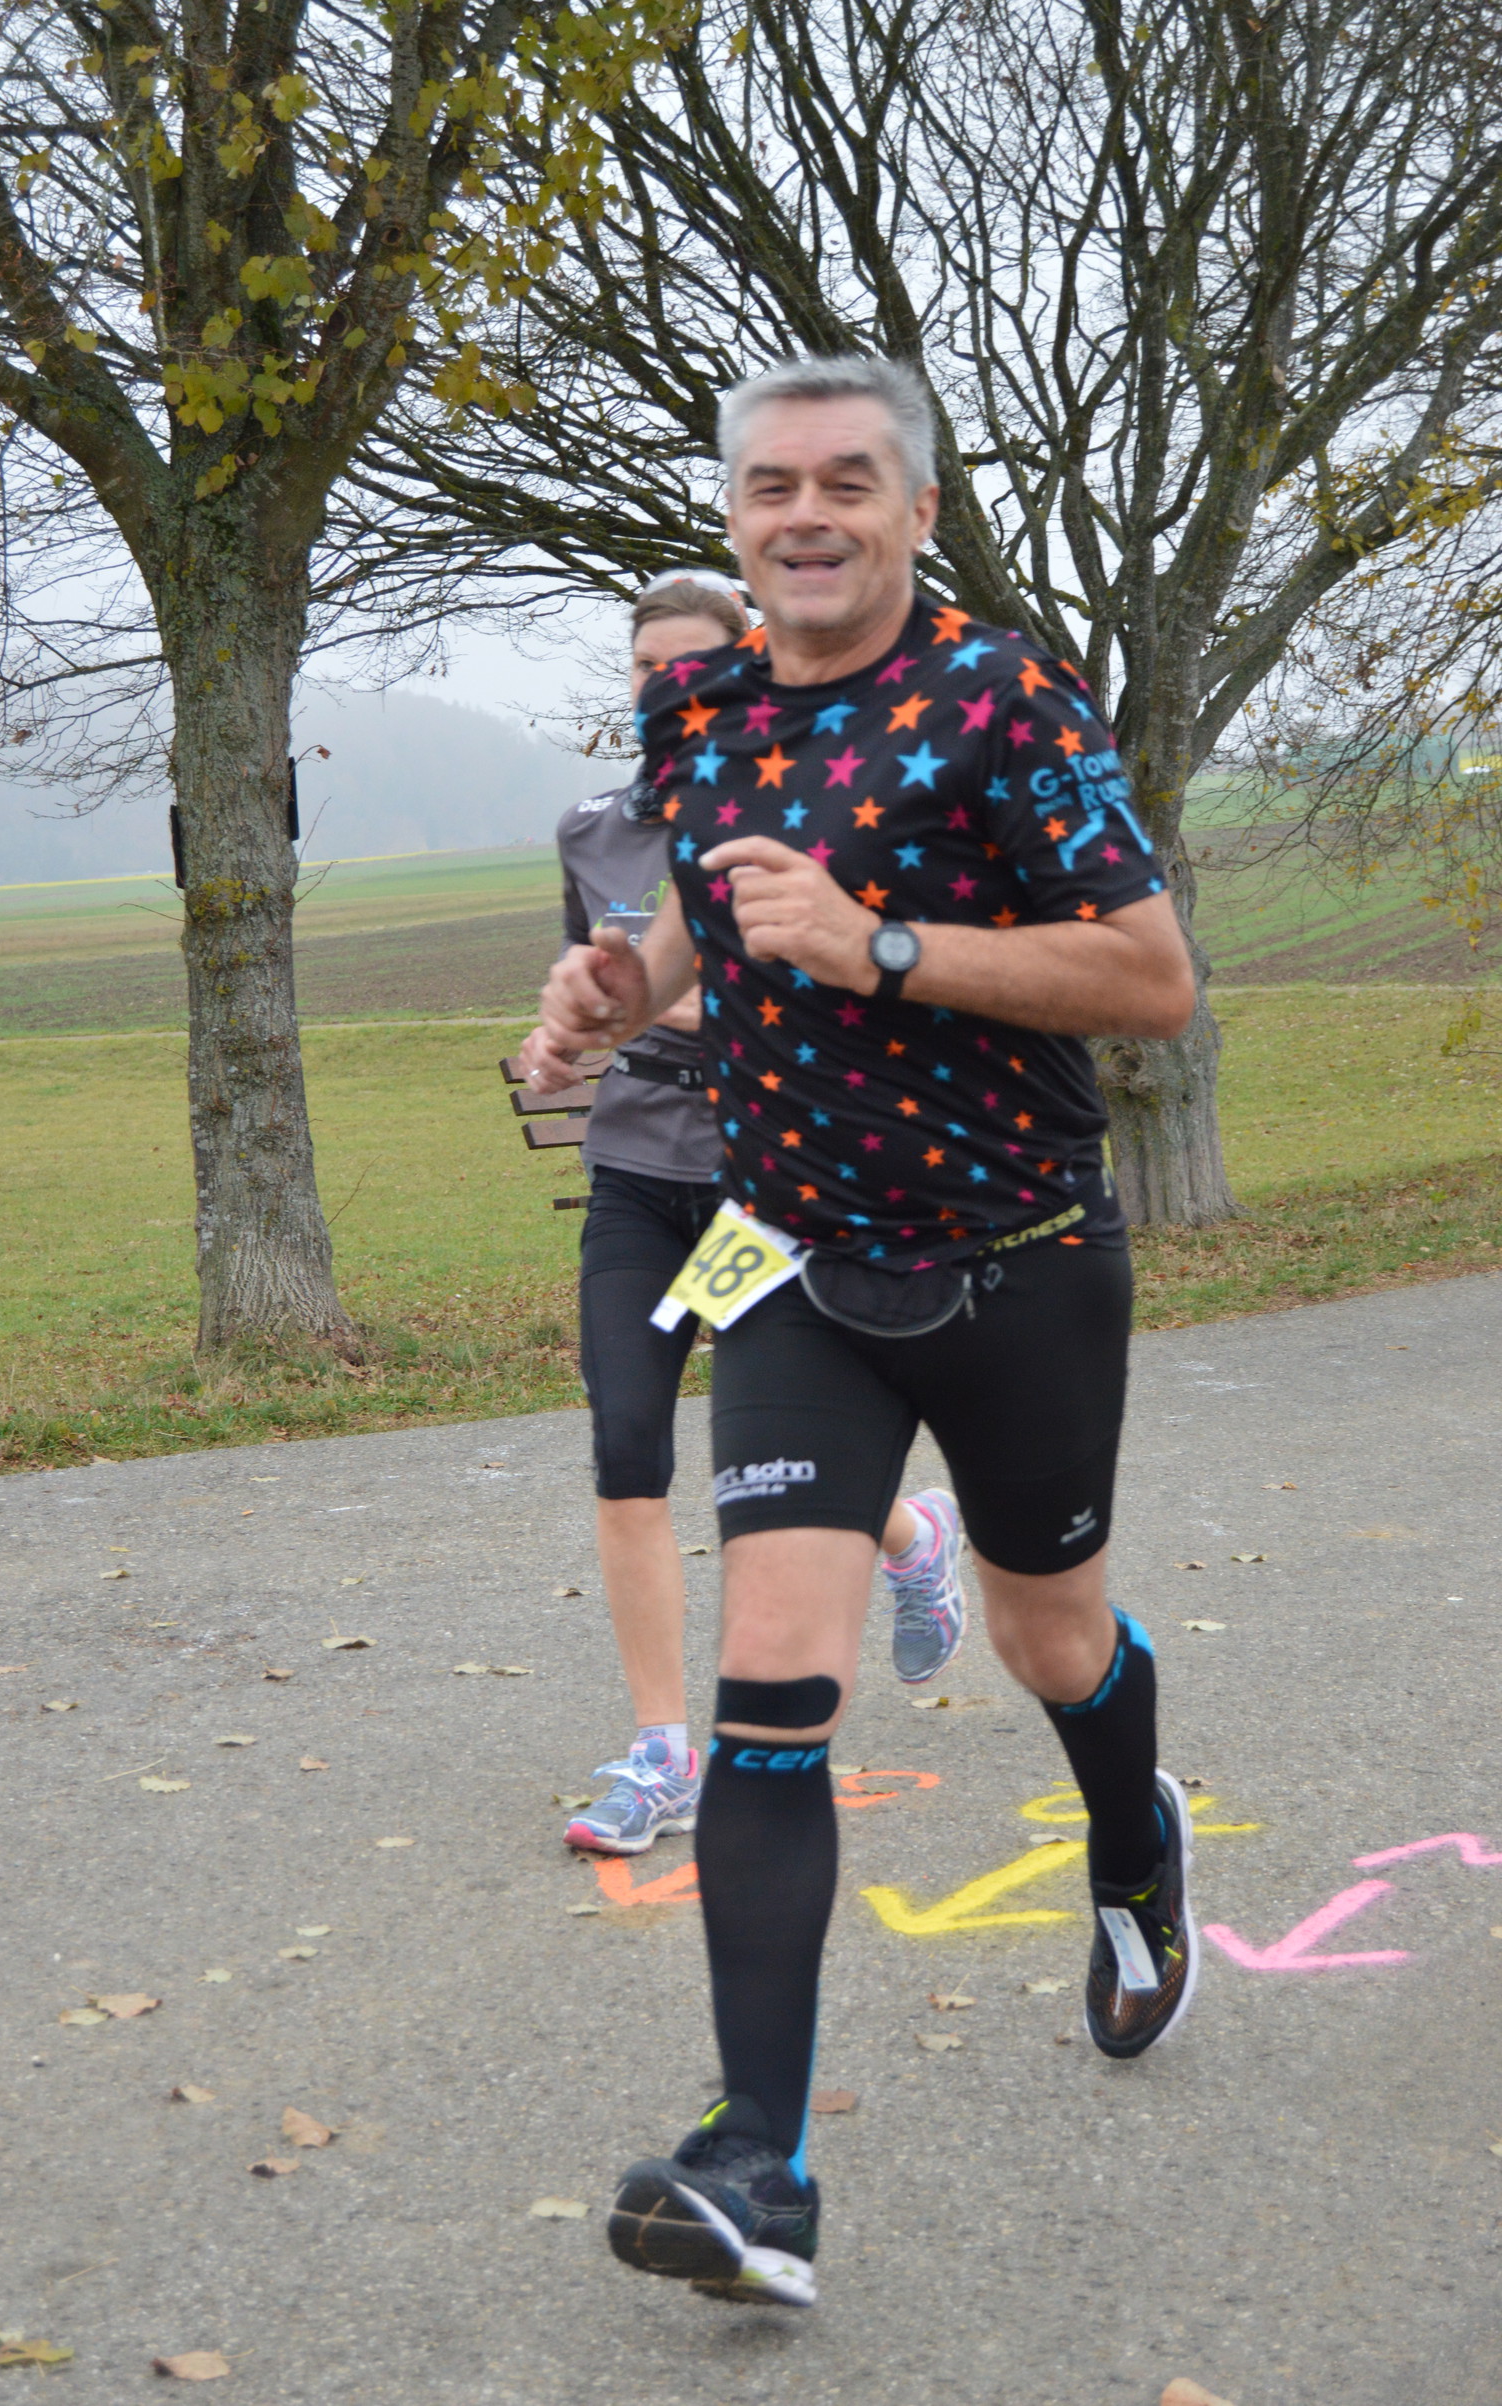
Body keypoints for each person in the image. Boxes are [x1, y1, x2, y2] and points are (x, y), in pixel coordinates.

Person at [536, 355, 1199, 2308]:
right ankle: (761, 2165)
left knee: (1046, 1637)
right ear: (736, 518)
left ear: (913, 509)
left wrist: (877, 946)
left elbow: (1149, 976)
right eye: (771, 485)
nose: (805, 513)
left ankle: (1132, 1840)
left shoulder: (1003, 700)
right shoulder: (701, 704)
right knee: (772, 1680)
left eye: (845, 481)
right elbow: (698, 917)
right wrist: (620, 986)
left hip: (1020, 1259)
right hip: (796, 1264)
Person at [521, 570, 960, 1860]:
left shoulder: (805, 817)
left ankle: (906, 1533)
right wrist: (561, 1039)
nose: (669, 689)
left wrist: (655, 999)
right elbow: (591, 987)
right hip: (631, 1174)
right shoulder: (592, 830)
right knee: (626, 1441)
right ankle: (665, 1752)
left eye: (694, 666)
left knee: (757, 1451)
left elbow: (828, 997)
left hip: (755, 1187)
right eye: (646, 668)